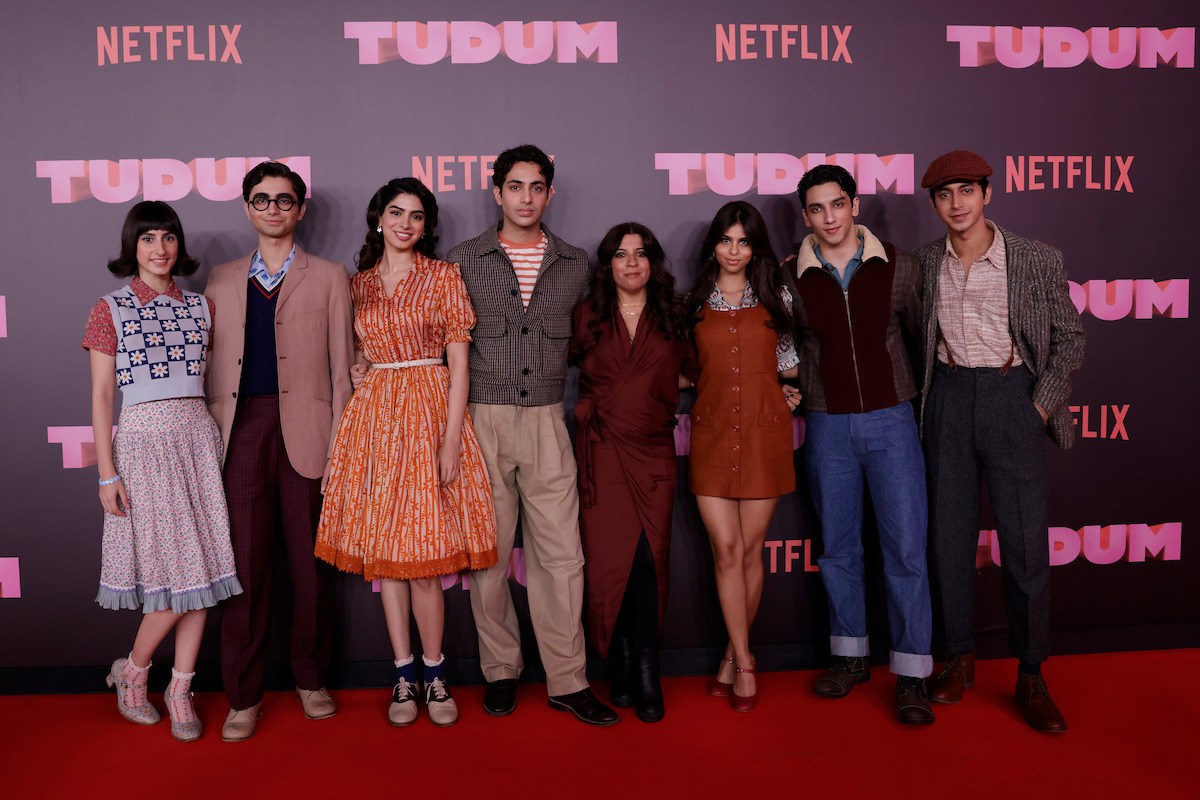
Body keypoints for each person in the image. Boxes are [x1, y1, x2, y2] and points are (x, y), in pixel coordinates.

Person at [446, 144, 618, 726]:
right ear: (497, 192)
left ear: (549, 193)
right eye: (514, 186)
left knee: (562, 557)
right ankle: (500, 672)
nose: (525, 197)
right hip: (481, 421)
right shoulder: (463, 260)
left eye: (536, 187)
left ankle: (568, 680)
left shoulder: (575, 263)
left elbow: (600, 343)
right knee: (489, 558)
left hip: (547, 418)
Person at [316, 178, 498, 727]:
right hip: (373, 423)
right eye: (396, 213)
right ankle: (402, 676)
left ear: (426, 226)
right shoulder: (358, 285)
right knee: (388, 565)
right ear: (378, 219)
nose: (405, 223)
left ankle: (436, 675)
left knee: (424, 563)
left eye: (416, 216)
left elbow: (459, 365)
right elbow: (352, 355)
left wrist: (448, 442)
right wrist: (359, 366)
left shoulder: (444, 278)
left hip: (428, 416)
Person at [917, 150, 1085, 733]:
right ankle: (957, 657)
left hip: (1013, 396)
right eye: (944, 195)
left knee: (1024, 547)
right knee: (948, 542)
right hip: (947, 399)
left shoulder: (1036, 258)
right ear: (934, 204)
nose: (956, 204)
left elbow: (1070, 339)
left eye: (966, 190)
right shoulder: (922, 264)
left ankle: (1032, 672)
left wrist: (1039, 406)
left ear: (987, 193)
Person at [82, 200, 243, 743]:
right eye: (148, 238)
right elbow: (104, 395)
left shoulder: (202, 308)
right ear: (133, 246)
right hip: (144, 445)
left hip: (198, 441)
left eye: (168, 237)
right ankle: (133, 673)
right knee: (177, 574)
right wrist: (107, 473)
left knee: (201, 574)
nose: (160, 248)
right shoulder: (111, 308)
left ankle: (180, 688)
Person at [204, 161, 354, 741]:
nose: (273, 208)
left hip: (310, 433)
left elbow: (343, 369)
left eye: (284, 199)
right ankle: (243, 695)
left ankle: (311, 680)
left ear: (301, 208)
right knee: (245, 566)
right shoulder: (218, 280)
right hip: (240, 431)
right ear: (246, 208)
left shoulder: (330, 276)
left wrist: (342, 445)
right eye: (261, 199)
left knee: (308, 567)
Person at [783, 165, 934, 724]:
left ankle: (913, 673)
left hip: (893, 422)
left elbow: (923, 337)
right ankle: (849, 657)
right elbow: (784, 341)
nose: (828, 217)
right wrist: (784, 382)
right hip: (827, 425)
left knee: (906, 551)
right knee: (839, 549)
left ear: (855, 206)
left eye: (837, 204)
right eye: (817, 209)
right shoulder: (789, 276)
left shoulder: (901, 268)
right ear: (806, 216)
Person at [569, 222, 694, 723]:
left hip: (652, 450)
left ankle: (647, 668)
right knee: (607, 565)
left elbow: (700, 370)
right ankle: (618, 663)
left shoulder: (674, 314)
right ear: (608, 265)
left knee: (647, 562)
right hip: (601, 453)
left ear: (653, 261)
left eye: (640, 254)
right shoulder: (588, 316)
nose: (631, 263)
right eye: (620, 255)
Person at [684, 200, 797, 712]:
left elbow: (793, 365)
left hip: (763, 437)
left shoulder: (779, 298)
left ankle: (735, 658)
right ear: (714, 244)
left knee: (750, 553)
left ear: (756, 247)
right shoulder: (691, 304)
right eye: (726, 240)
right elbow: (683, 370)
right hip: (709, 437)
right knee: (726, 551)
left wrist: (789, 392)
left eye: (744, 241)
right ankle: (747, 661)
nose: (734, 250)